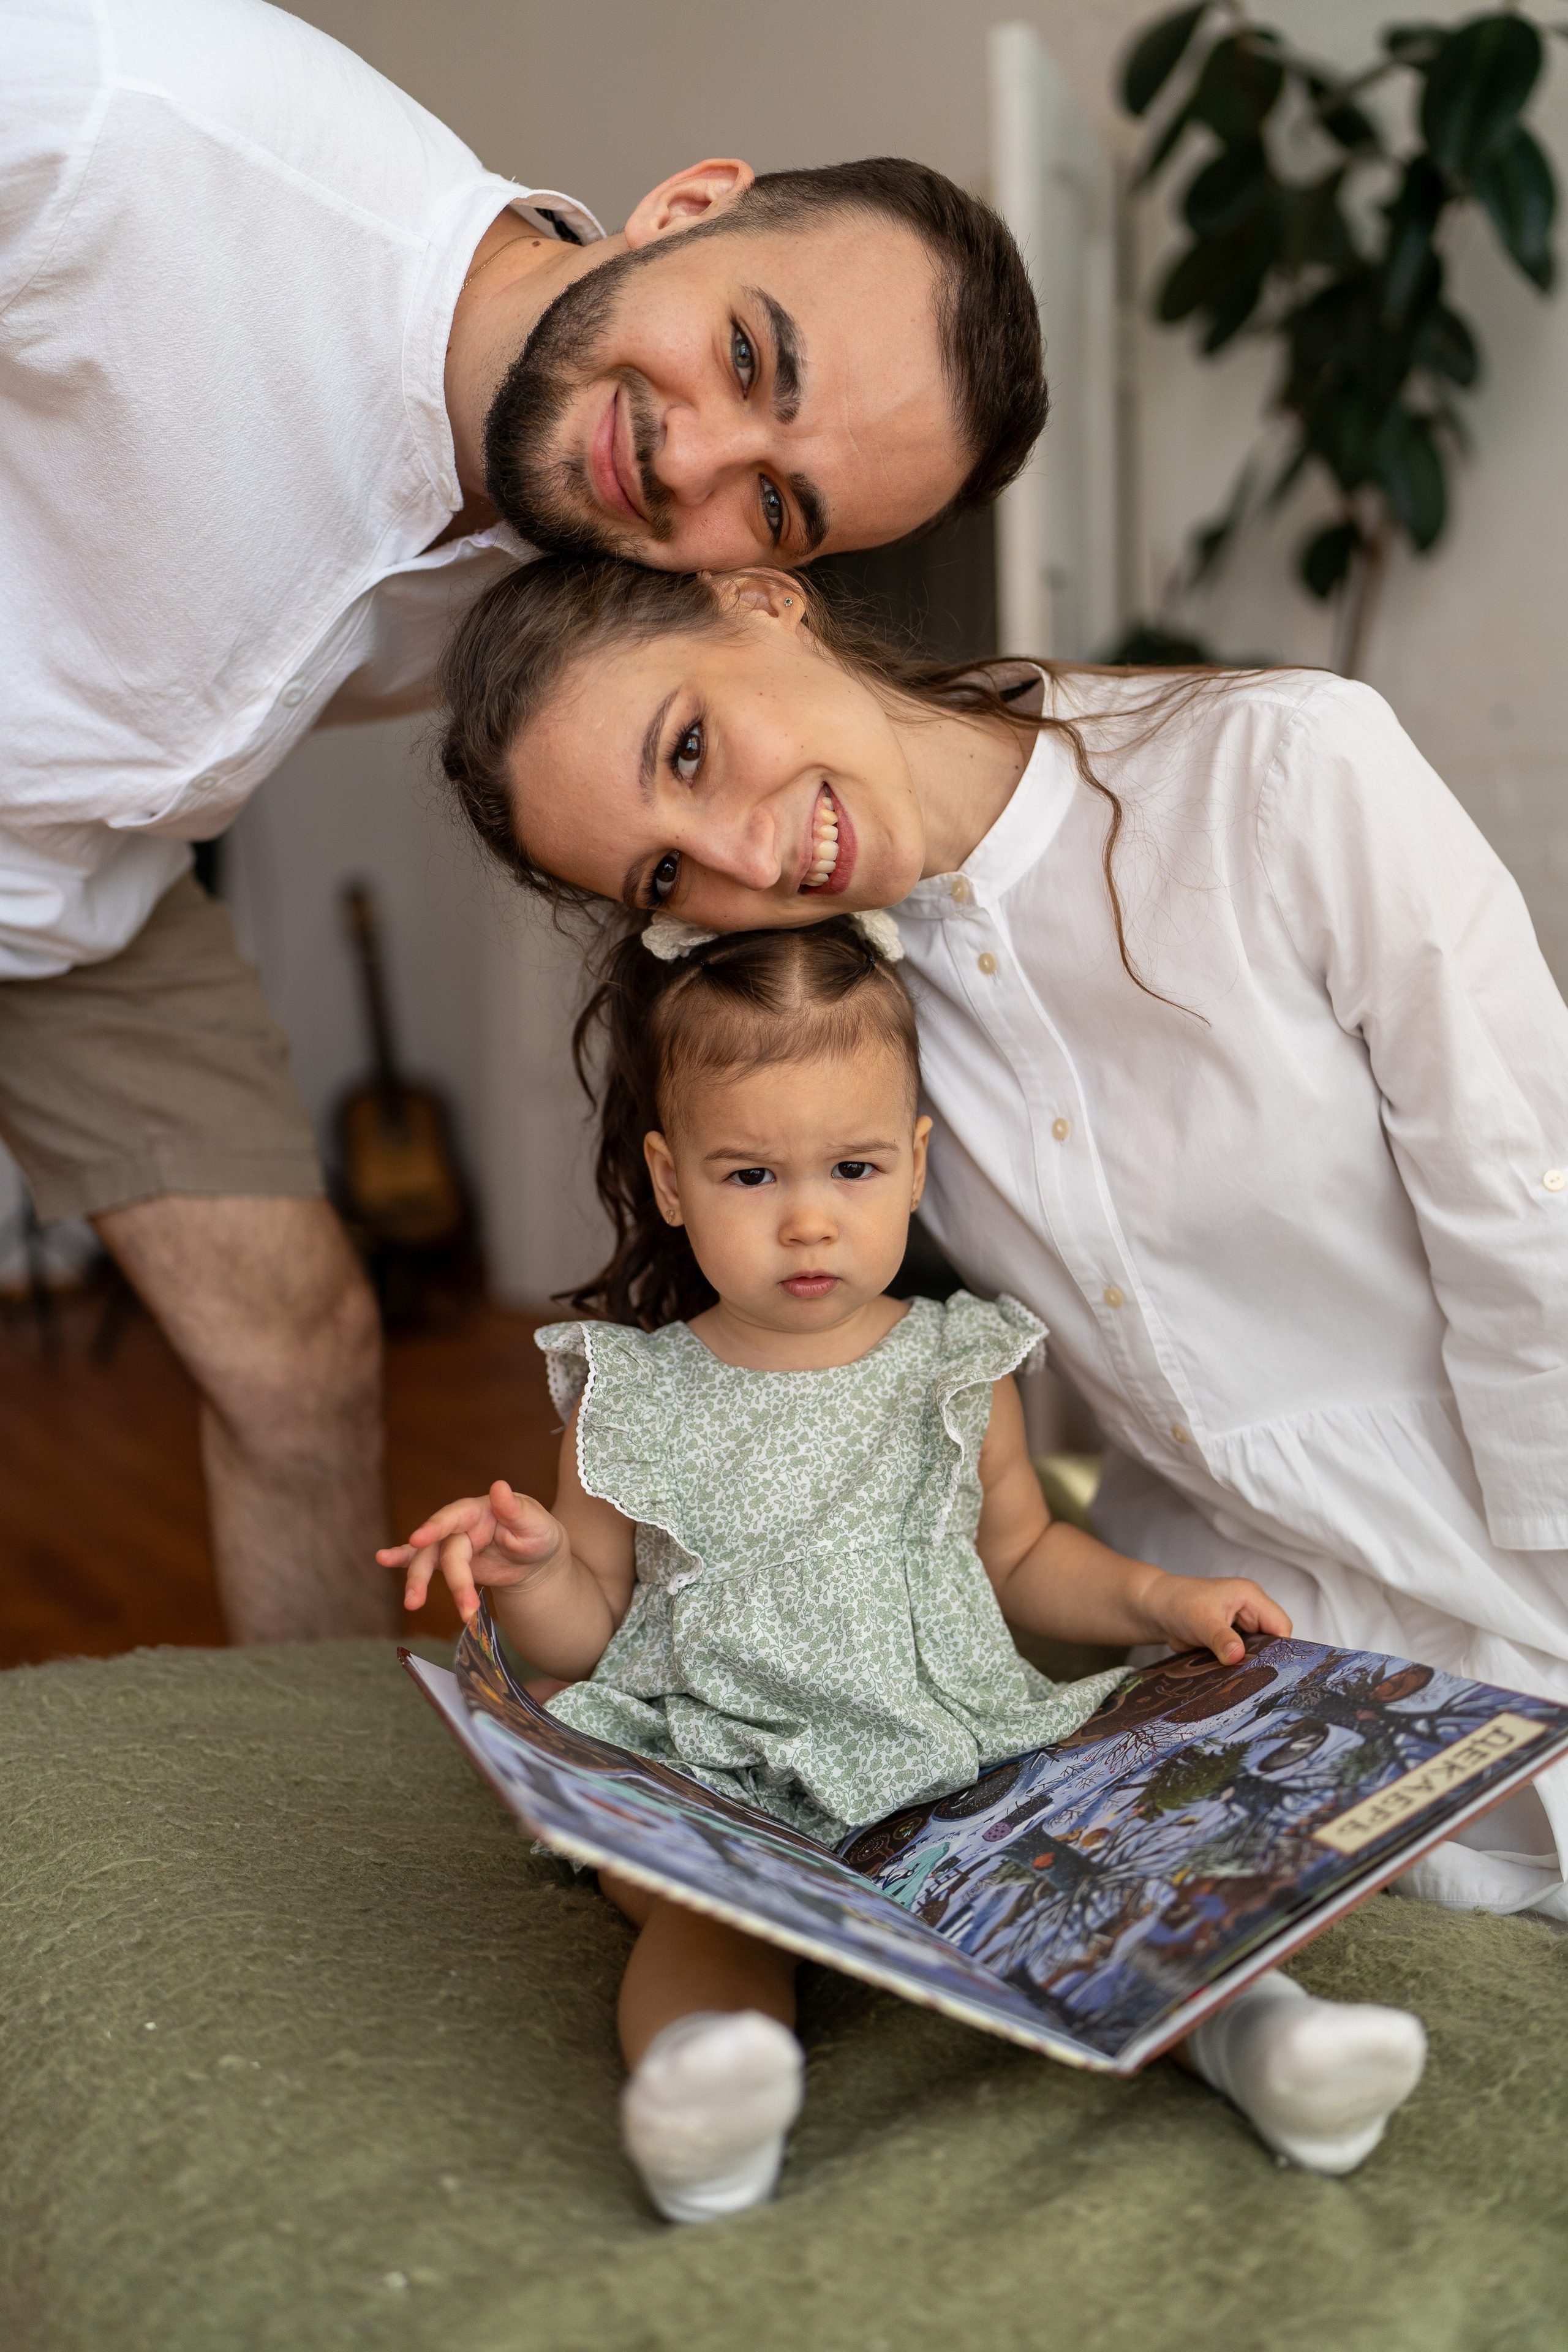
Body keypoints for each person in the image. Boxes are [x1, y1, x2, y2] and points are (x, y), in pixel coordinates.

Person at [0, 0, 1046, 1640]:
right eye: (748, 355)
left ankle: (306, 1792)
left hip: (80, 887)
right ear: (685, 208)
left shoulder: (590, 572)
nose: (695, 459)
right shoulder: (148, 113)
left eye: (776, 502)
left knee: (301, 1347)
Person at [433, 554, 1568, 1924]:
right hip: (1242, 1609)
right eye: (667, 873)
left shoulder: (1287, 767)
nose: (746, 858)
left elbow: (1528, 1207)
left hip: (1516, 1522)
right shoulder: (835, 1013)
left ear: (762, 600)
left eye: (691, 748)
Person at [383, 915, 1427, 2221]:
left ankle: (1273, 2044)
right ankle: (707, 2085)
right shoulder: (630, 1392)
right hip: (723, 1757)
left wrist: (1161, 1599)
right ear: (670, 1179)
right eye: (750, 1175)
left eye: (854, 1167)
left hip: (951, 1750)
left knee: (1103, 1886)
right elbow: (586, 1637)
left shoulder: (953, 1363)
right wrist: (533, 1569)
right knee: (698, 1913)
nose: (809, 1219)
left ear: (915, 1163)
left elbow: (1023, 1555)